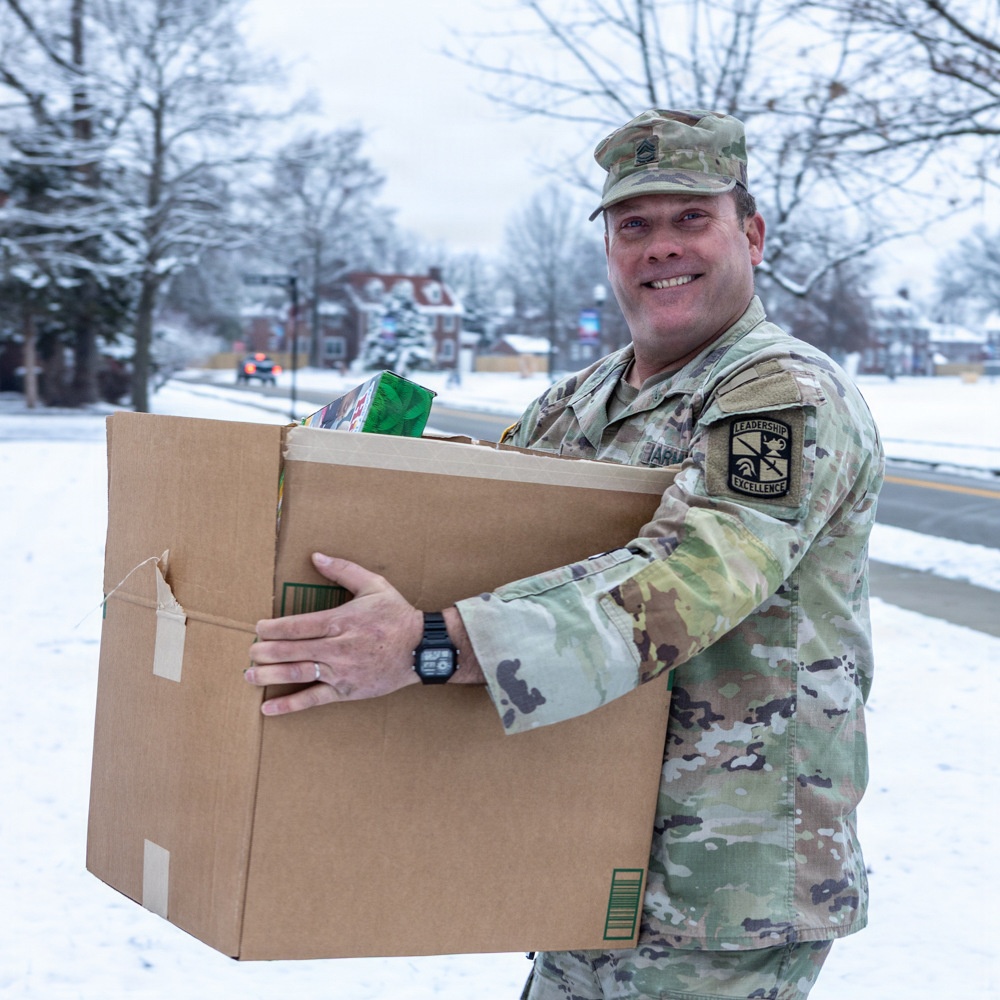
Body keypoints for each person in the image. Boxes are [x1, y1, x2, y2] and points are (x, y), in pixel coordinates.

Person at [244, 109, 884, 1000]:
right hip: (578, 843)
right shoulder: (574, 401)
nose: (661, 246)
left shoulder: (782, 396)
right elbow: (483, 528)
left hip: (722, 887)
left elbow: (696, 574)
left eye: (691, 218)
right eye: (635, 226)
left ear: (753, 233)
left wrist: (431, 644)